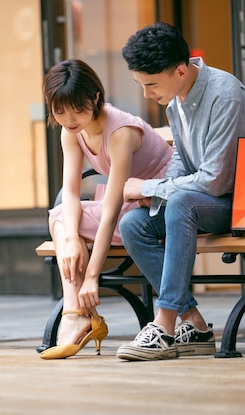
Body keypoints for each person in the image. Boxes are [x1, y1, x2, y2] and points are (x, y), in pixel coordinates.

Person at [116, 22, 245, 361]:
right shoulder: (176, 102)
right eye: (140, 85)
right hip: (205, 202)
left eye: (151, 84)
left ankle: (164, 325)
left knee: (181, 201)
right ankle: (195, 325)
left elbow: (215, 180)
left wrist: (150, 186)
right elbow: (181, 164)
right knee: (132, 224)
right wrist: (154, 195)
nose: (146, 95)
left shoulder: (224, 95)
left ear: (182, 70)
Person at [39, 59, 174, 359]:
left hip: (156, 207)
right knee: (62, 220)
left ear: (95, 97)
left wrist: (92, 277)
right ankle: (76, 312)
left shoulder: (119, 132)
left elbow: (111, 211)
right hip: (127, 203)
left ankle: (76, 315)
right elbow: (71, 191)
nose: (69, 119)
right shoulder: (70, 131)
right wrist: (74, 238)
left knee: (61, 220)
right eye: (60, 111)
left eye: (77, 109)